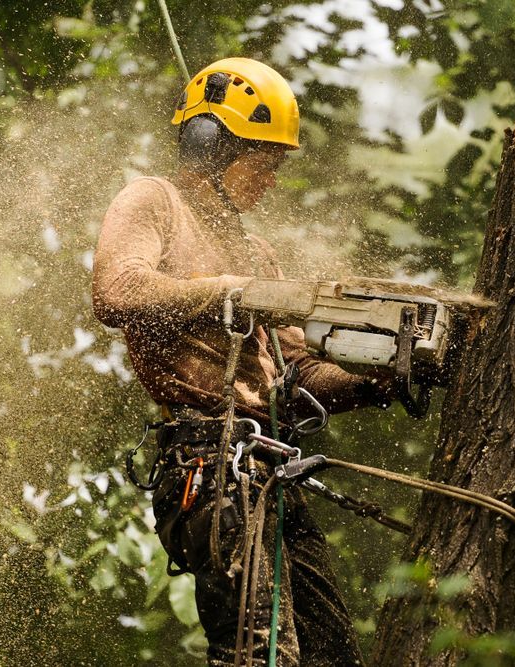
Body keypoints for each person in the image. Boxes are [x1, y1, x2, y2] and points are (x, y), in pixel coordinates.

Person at [92, 57, 393, 666]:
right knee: (259, 654)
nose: (273, 180)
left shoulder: (254, 249)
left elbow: (297, 376)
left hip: (269, 465)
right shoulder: (155, 202)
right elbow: (117, 290)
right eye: (266, 162)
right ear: (213, 146)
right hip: (209, 461)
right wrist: (230, 291)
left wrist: (385, 376)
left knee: (332, 652)